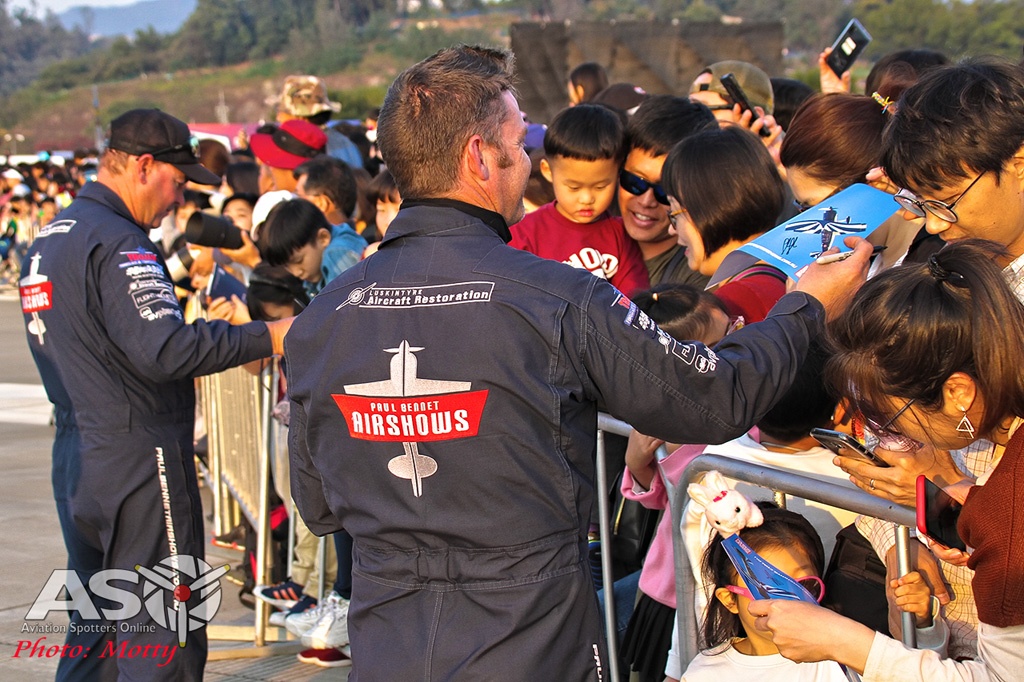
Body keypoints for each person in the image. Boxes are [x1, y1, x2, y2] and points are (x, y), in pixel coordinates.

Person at [283, 45, 872, 680]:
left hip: (390, 642)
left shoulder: (322, 317)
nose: (528, 161)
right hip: (530, 639)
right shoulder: (558, 299)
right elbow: (713, 395)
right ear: (479, 157)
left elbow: (318, 505)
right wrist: (806, 307)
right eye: (518, 144)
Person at [18, 108, 291, 681]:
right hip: (138, 456)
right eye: (177, 181)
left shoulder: (52, 236)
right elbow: (164, 348)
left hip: (78, 454)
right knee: (165, 633)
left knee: (95, 632)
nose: (179, 199)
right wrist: (269, 335)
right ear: (143, 166)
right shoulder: (120, 243)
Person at [750, 239, 1024, 681]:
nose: (889, 437)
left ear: (958, 392)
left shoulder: (1008, 511)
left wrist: (845, 641)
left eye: (887, 417)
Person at [677, 504, 940, 681]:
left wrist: (922, 621)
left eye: (804, 585)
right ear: (729, 600)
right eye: (769, 590)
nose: (789, 604)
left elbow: (910, 670)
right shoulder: (706, 672)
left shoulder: (841, 652)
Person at [510, 104, 649, 296]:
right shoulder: (523, 234)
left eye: (600, 187)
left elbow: (634, 300)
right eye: (574, 187)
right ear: (548, 171)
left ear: (618, 174)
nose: (586, 199)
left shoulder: (621, 235)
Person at [662, 125, 787, 323]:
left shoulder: (733, 306)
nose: (671, 229)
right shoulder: (785, 276)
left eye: (675, 214)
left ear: (712, 208)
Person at [618, 95, 716, 288]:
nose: (646, 201)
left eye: (664, 191)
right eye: (634, 182)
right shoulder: (582, 229)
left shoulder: (697, 277)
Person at [257, 197, 365, 298]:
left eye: (299, 261)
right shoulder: (315, 269)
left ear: (323, 238)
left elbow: (348, 305)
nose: (296, 272)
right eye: (287, 266)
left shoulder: (337, 253)